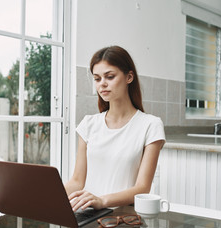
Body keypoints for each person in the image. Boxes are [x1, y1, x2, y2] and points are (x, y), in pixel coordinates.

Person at [65, 46, 165, 213]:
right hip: (87, 216)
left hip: (123, 220)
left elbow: (142, 188)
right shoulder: (88, 124)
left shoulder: (150, 125)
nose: (102, 84)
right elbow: (77, 181)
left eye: (110, 77)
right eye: (97, 79)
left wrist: (101, 200)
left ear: (129, 77)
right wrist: (49, 197)